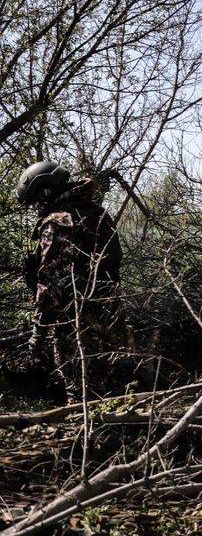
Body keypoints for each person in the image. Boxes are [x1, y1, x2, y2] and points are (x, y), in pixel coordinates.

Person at [15, 161, 128, 401]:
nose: (36, 208)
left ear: (46, 191)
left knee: (82, 395)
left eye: (36, 200)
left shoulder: (58, 221)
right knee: (113, 392)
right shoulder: (95, 211)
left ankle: (84, 434)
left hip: (77, 324)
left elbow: (52, 282)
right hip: (111, 315)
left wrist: (39, 331)